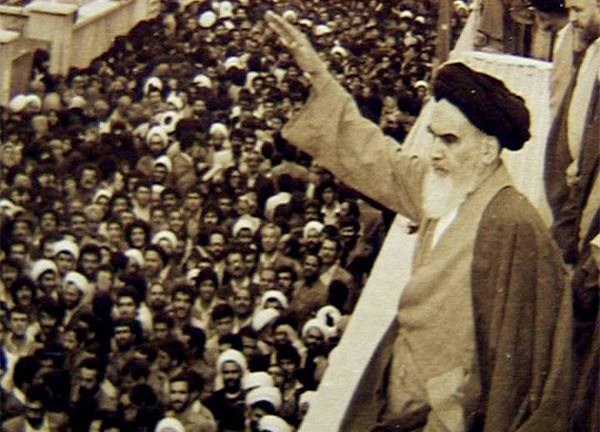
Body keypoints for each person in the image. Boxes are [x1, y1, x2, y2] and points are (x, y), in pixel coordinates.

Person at [265, 11, 572, 432]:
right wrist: (318, 74)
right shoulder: (441, 189)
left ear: (487, 150)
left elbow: (530, 359)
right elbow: (374, 154)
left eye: (450, 140)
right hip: (401, 396)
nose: (434, 152)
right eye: (433, 137)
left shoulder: (513, 221)